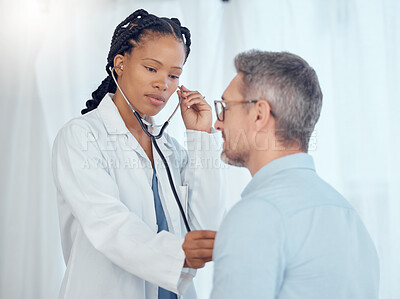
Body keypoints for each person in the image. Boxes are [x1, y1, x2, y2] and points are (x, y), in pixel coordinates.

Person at [52, 9, 225, 299]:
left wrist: (200, 136)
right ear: (120, 64)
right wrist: (177, 254)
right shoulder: (81, 137)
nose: (163, 84)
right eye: (151, 68)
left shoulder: (171, 150)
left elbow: (203, 227)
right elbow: (108, 224)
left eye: (174, 75)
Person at [210, 50, 379, 298]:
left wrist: (240, 237)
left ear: (259, 114)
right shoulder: (348, 217)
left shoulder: (257, 215)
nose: (217, 123)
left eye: (225, 107)